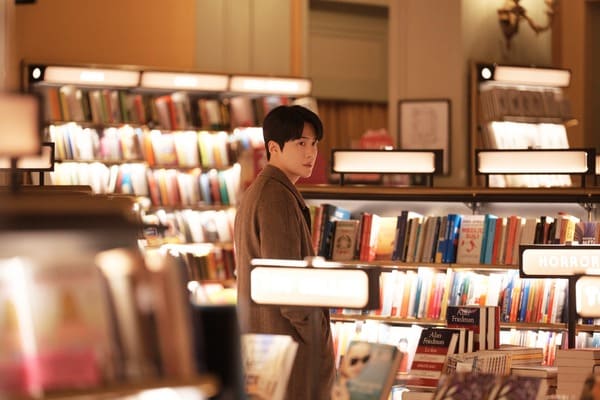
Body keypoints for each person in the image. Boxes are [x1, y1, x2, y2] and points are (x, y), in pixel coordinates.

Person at [234, 105, 336, 400]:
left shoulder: (262, 190)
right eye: (301, 143)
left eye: (314, 143)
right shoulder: (276, 196)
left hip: (268, 349)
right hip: (288, 353)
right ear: (274, 148)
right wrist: (318, 337)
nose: (310, 153)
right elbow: (287, 286)